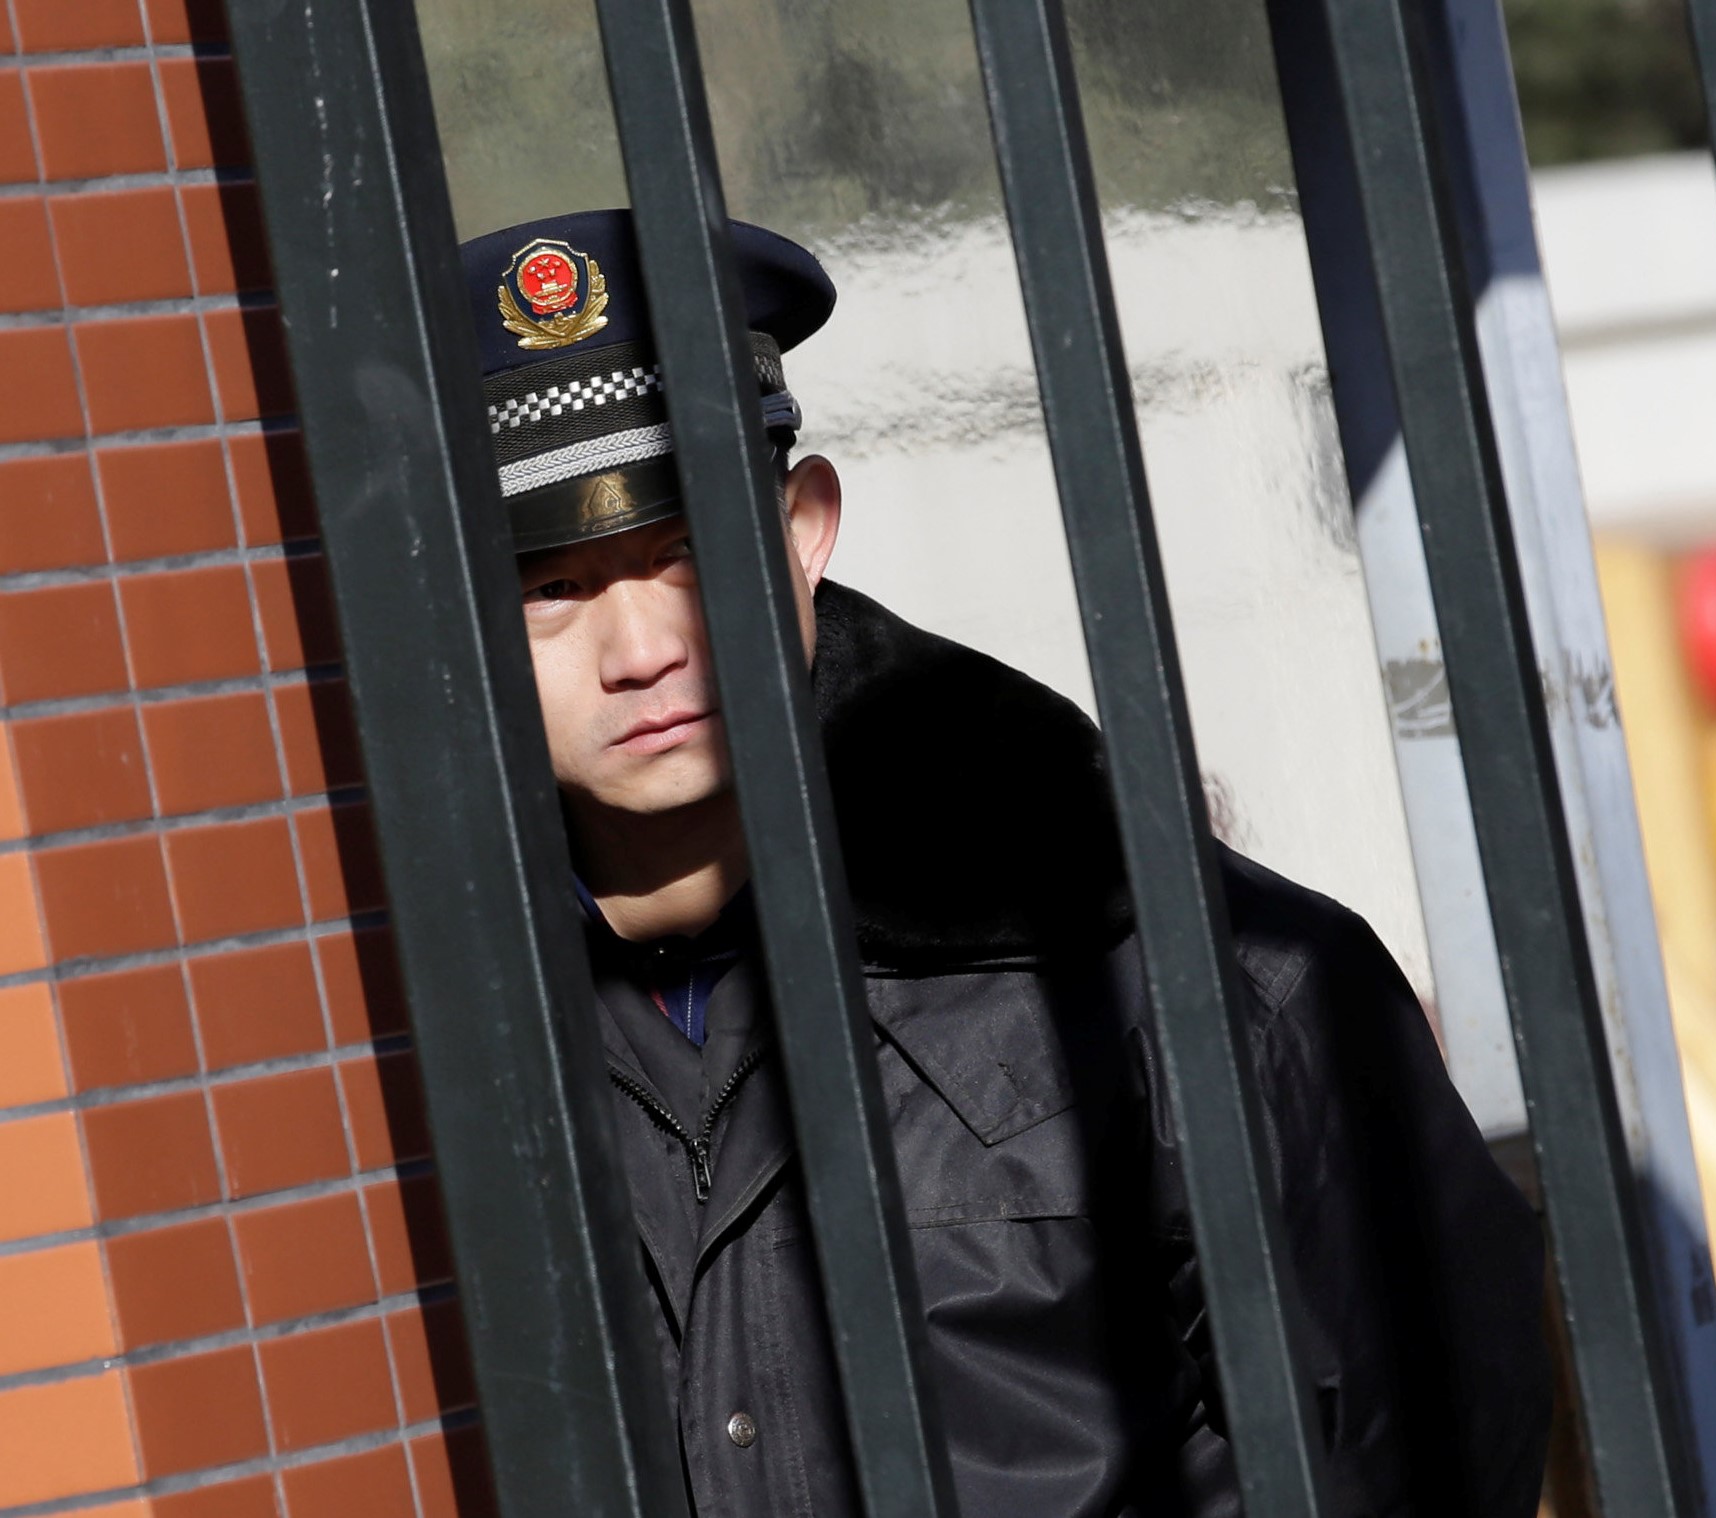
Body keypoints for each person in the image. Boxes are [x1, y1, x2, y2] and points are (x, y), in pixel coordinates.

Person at [459, 208, 1550, 1518]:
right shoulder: (433, 1038)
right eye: (552, 587)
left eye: (683, 553)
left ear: (804, 529)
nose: (639, 646)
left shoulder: (1185, 976)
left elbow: (1416, 1449)